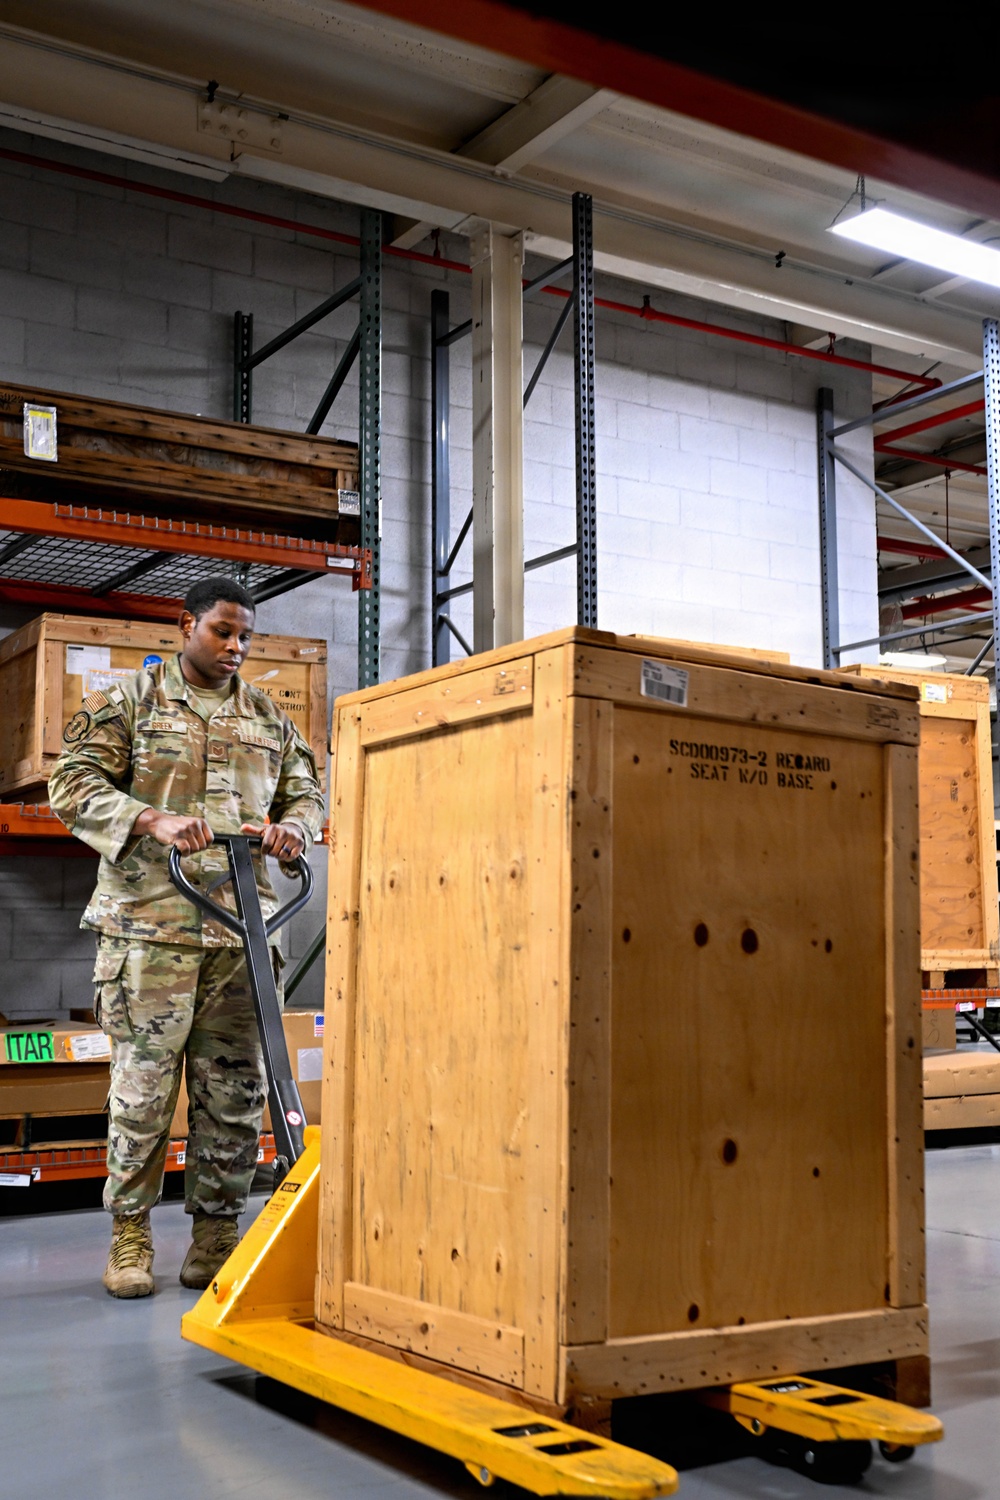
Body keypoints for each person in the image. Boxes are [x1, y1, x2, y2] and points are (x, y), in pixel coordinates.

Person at [48, 579, 325, 1299]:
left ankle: (215, 1238)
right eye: (222, 632)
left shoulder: (267, 714)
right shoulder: (130, 704)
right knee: (142, 1094)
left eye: (245, 638)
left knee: (234, 1096)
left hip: (243, 935)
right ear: (185, 626)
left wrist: (294, 828)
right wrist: (151, 820)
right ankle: (131, 1236)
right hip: (150, 934)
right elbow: (71, 784)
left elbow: (306, 790)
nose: (235, 648)